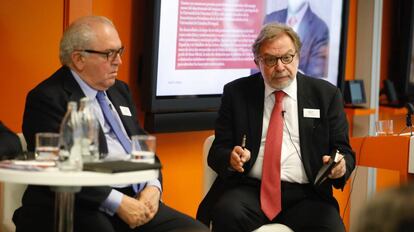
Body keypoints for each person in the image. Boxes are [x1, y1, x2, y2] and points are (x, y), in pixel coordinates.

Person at [13, 16, 207, 232]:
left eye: (119, 51)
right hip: (82, 205)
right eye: (109, 54)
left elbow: (141, 145)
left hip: (136, 198)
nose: (119, 61)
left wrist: (153, 187)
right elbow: (62, 168)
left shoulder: (119, 91)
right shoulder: (48, 98)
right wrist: (118, 203)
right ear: (79, 59)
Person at [197, 23, 355, 232]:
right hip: (250, 190)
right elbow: (217, 151)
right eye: (270, 60)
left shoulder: (325, 95)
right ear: (257, 62)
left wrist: (340, 167)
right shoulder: (237, 93)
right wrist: (231, 158)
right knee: (226, 212)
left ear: (298, 57)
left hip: (308, 195)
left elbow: (344, 151)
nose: (280, 67)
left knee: (331, 227)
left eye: (287, 58)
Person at [263, 0, 329, 78]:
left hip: (299, 87)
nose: (280, 67)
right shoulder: (269, 18)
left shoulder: (320, 28)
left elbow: (316, 75)